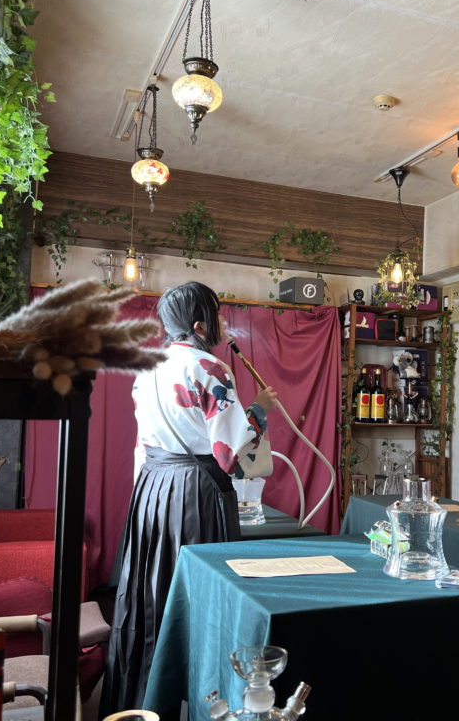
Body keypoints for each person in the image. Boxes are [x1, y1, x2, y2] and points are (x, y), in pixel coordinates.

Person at [101, 282, 277, 715]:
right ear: (200, 325)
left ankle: (143, 698)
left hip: (152, 488)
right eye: (216, 315)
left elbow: (143, 444)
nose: (221, 323)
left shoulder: (147, 367)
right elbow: (228, 453)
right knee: (205, 597)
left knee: (151, 594)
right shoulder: (210, 367)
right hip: (196, 491)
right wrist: (260, 409)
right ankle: (204, 704)